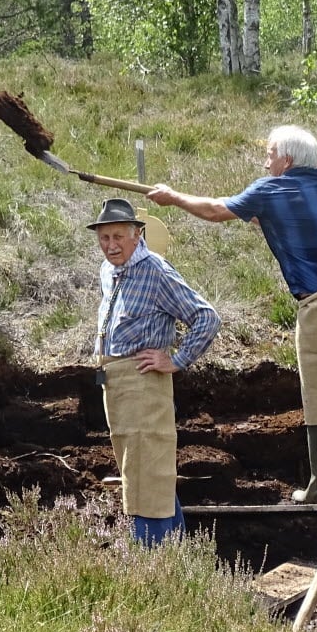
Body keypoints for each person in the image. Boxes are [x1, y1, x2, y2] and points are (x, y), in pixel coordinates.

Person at [146, 124, 317, 503]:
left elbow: (216, 210)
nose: (265, 160)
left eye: (269, 153)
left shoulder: (270, 189)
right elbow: (273, 216)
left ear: (286, 159)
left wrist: (173, 197)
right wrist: (253, 213)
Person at [87, 197, 221, 546]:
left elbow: (206, 317)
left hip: (144, 382)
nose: (111, 246)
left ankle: (154, 560)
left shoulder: (155, 270)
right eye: (104, 238)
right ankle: (176, 557)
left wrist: (175, 360)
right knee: (140, 472)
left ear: (137, 235)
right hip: (115, 383)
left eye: (118, 237)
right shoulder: (109, 270)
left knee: (149, 474)